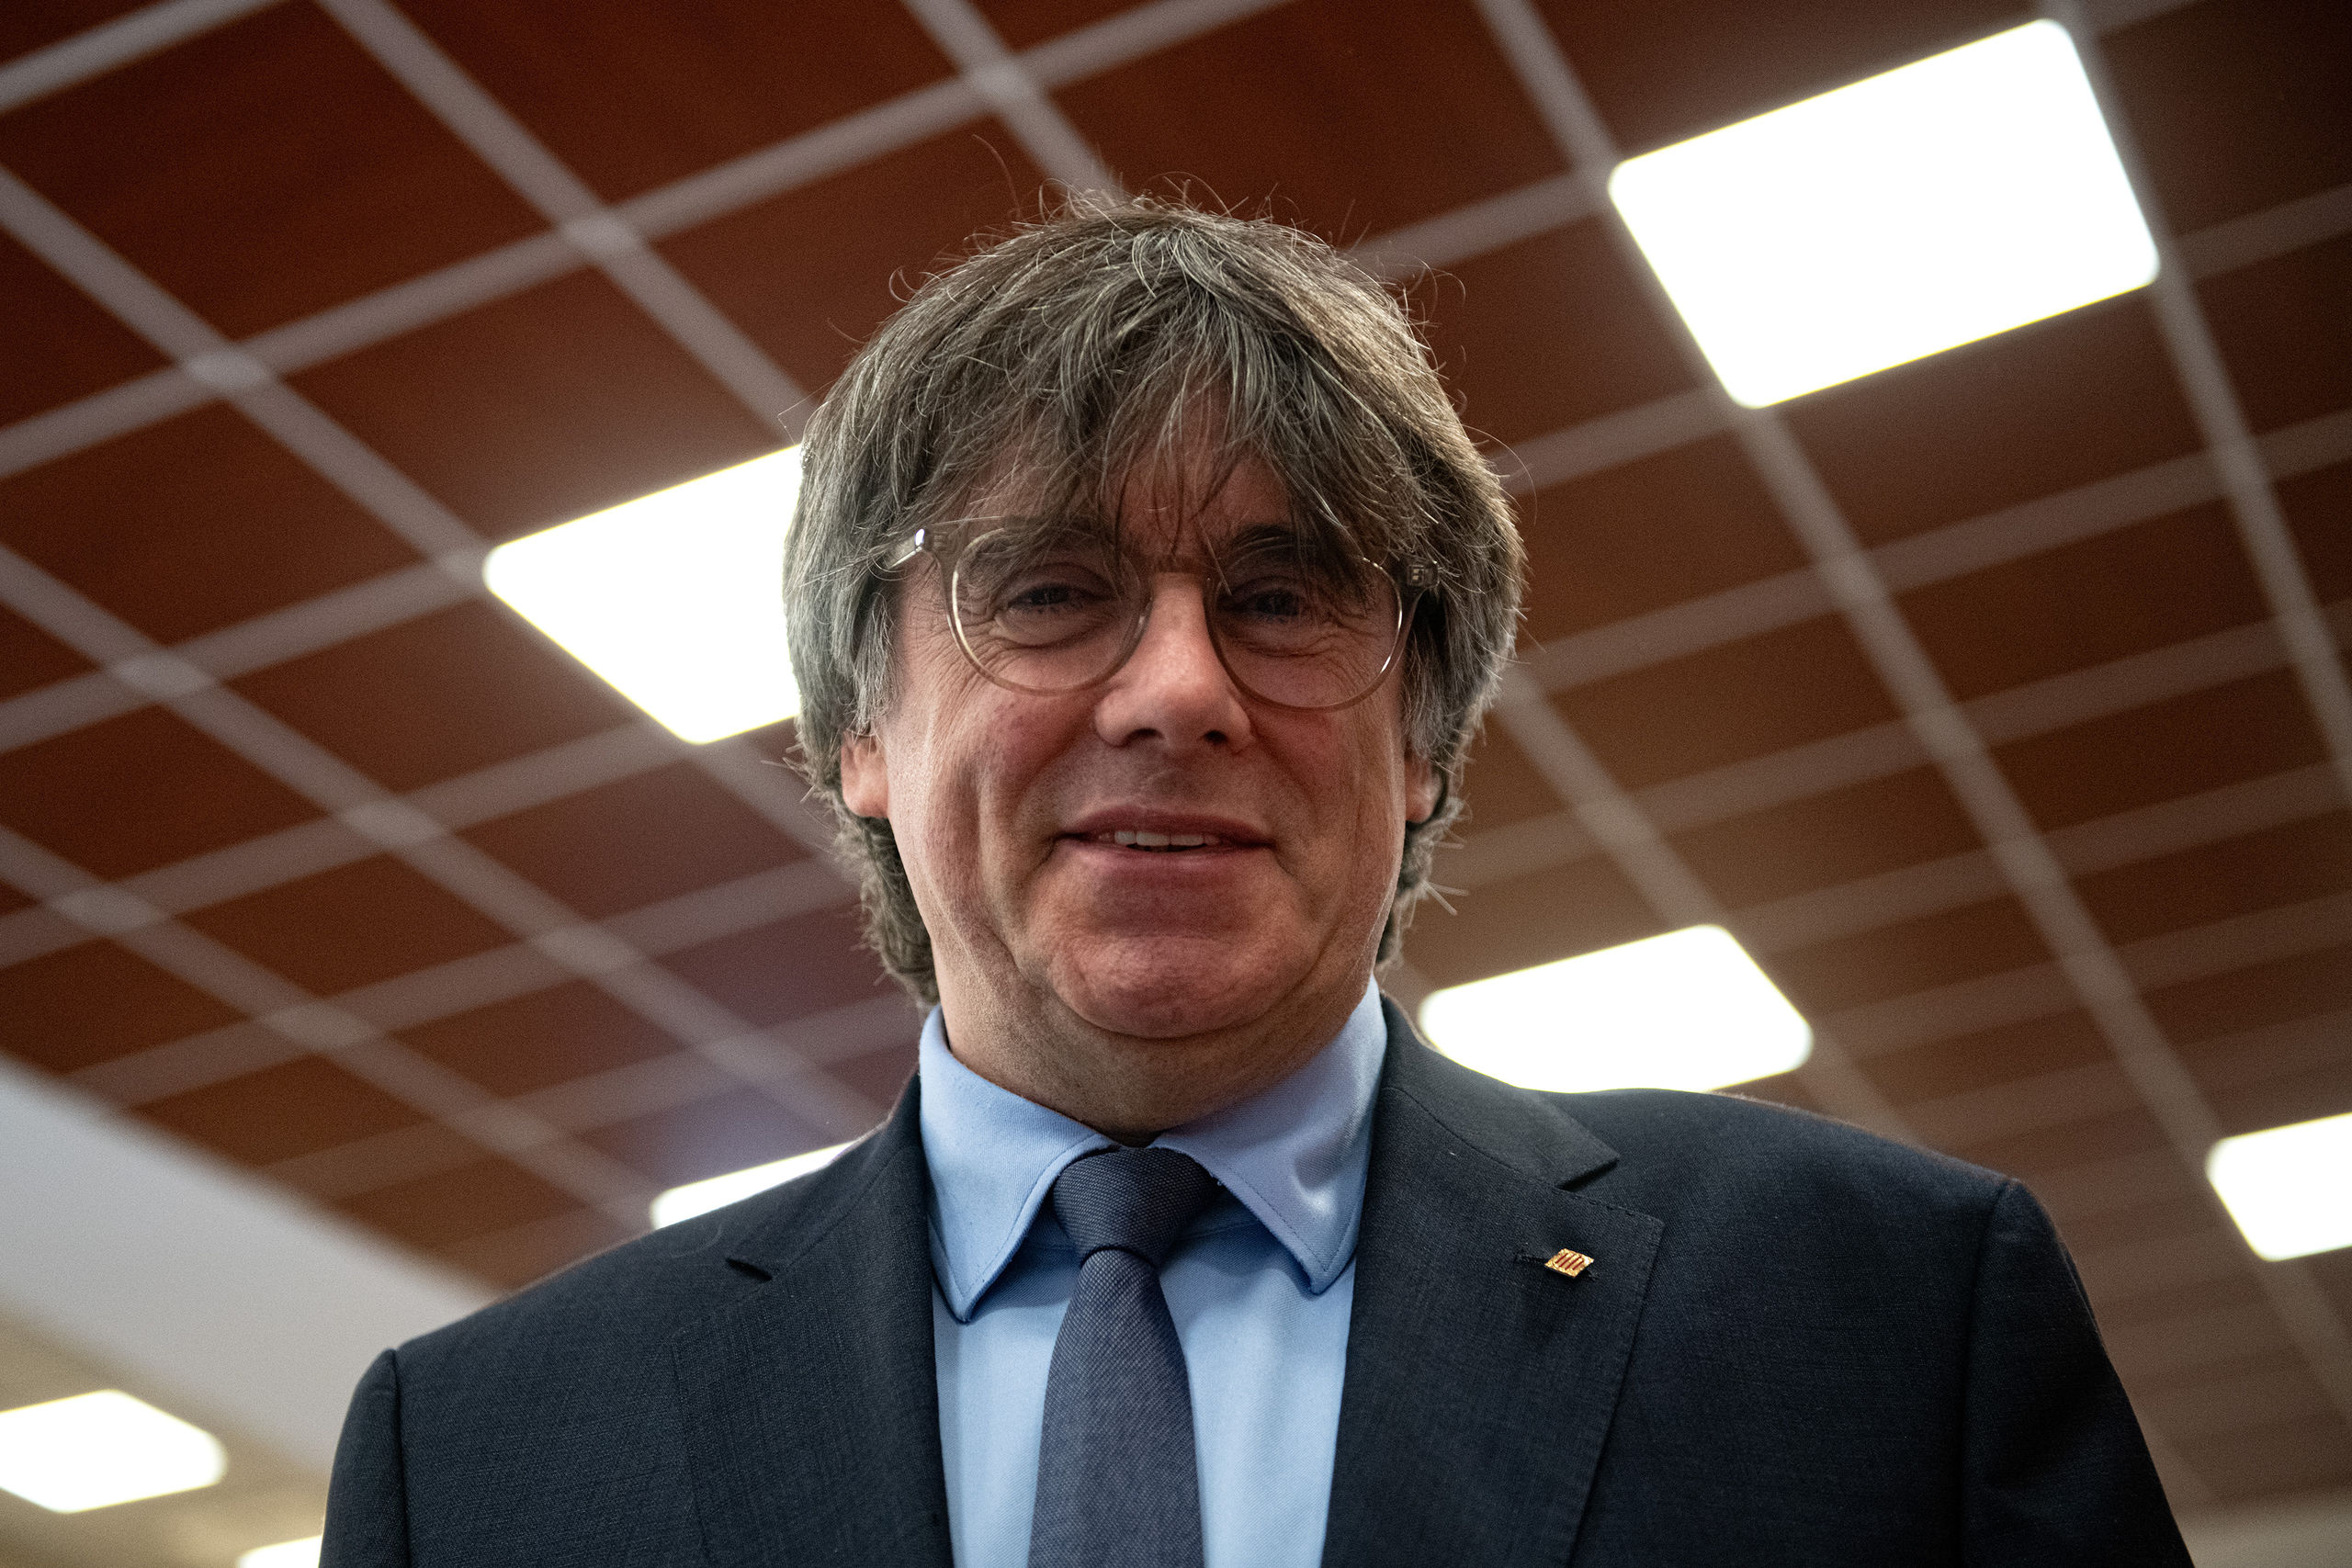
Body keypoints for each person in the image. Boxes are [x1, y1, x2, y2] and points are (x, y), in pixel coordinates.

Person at [322, 200, 2188, 1566]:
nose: (1178, 689)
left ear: (1422, 743)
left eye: (1283, 598)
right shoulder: (479, 1453)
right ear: (856, 732)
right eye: (1050, 590)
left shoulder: (1883, 1311)